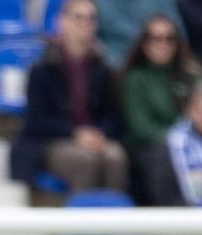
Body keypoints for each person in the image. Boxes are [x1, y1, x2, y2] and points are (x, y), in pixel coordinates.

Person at [10, 0, 125, 191]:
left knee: (116, 157)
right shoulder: (42, 69)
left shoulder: (103, 69)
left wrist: (99, 134)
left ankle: (113, 218)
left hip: (94, 138)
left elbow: (111, 114)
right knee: (84, 160)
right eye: (78, 17)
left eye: (90, 18)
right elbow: (37, 119)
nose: (85, 23)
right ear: (61, 22)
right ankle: (82, 218)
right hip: (52, 141)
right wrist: (75, 133)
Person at [120, 15, 202, 154]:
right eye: (155, 39)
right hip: (150, 146)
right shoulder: (136, 78)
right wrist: (178, 139)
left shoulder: (190, 72)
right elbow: (140, 127)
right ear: (144, 43)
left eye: (169, 39)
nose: (163, 44)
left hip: (193, 141)